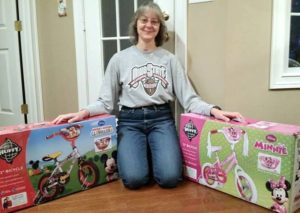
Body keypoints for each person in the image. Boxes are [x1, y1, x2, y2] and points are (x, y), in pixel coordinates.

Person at [52, 2, 243, 189]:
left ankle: (154, 155)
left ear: (160, 27)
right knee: (134, 180)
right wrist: (83, 112)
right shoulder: (119, 60)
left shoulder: (170, 60)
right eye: (144, 20)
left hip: (161, 119)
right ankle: (143, 157)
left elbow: (189, 99)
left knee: (170, 179)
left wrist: (214, 111)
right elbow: (105, 102)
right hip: (130, 121)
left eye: (155, 21)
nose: (149, 25)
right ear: (136, 24)